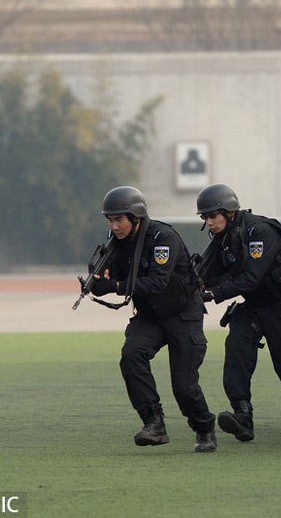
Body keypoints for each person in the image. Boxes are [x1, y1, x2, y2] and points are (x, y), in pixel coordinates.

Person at [194, 184, 281, 442]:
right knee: (236, 350)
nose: (209, 222)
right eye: (205, 217)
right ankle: (242, 416)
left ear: (229, 212)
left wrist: (213, 294)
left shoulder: (261, 232)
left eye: (213, 216)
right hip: (254, 306)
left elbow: (251, 278)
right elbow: (207, 273)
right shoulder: (221, 238)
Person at [89, 186, 217, 452]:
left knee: (183, 386)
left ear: (135, 217)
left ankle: (204, 427)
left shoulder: (162, 238)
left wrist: (114, 286)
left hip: (182, 313)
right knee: (132, 355)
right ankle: (154, 424)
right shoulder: (117, 244)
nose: (114, 226)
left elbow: (157, 282)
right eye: (110, 221)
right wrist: (96, 281)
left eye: (119, 220)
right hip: (151, 316)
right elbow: (109, 273)